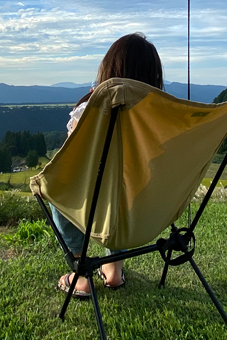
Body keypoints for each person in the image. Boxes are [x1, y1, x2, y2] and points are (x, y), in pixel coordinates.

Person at [54, 32, 164, 299]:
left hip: (95, 206)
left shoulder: (90, 112)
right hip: (142, 205)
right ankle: (113, 271)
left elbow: (69, 163)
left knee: (56, 187)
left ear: (109, 70)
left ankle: (81, 272)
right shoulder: (163, 117)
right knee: (123, 194)